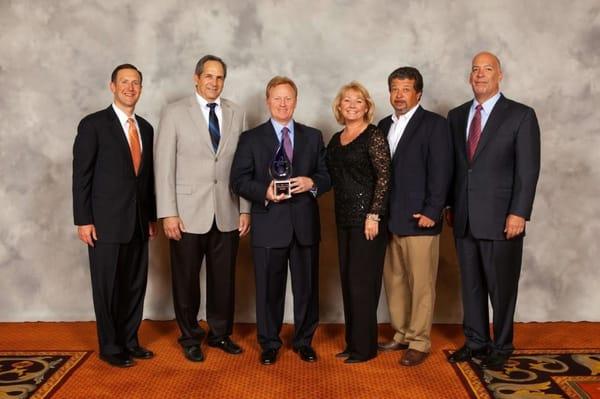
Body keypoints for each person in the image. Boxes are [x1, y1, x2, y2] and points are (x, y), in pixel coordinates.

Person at [446, 51, 541, 370]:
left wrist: (519, 213)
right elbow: (456, 168)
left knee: (502, 287)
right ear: (469, 76)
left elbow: (527, 172)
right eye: (475, 69)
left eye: (488, 69)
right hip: (464, 216)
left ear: (500, 75)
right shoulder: (457, 116)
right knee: (470, 285)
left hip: (503, 219)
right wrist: (449, 204)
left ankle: (501, 345)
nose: (480, 74)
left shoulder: (521, 115)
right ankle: (475, 342)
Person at [154, 55, 250, 362]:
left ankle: (220, 334)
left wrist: (245, 209)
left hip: (227, 211)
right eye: (208, 76)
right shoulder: (174, 113)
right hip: (185, 213)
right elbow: (164, 166)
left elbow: (243, 168)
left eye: (220, 77)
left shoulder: (237, 112)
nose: (214, 82)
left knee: (224, 280)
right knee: (186, 279)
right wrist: (168, 212)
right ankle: (190, 336)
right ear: (196, 78)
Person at [230, 76, 331, 365]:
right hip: (269, 224)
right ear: (268, 101)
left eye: (288, 98)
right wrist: (265, 191)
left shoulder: (313, 136)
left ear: (296, 101)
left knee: (307, 289)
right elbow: (238, 180)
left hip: (304, 226)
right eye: (277, 98)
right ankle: (269, 343)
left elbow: (327, 176)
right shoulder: (251, 138)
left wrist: (312, 181)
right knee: (268, 290)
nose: (283, 104)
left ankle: (303, 341)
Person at [72, 64, 157, 367]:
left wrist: (150, 218)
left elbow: (146, 179)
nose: (130, 88)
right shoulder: (93, 125)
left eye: (136, 83)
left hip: (137, 222)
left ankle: (130, 341)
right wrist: (83, 219)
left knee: (134, 285)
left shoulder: (145, 127)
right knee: (107, 287)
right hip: (104, 224)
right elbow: (81, 176)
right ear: (112, 86)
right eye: (124, 82)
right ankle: (110, 346)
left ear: (141, 89)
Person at [377, 67, 452, 366]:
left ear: (418, 93)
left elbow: (442, 171)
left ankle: (419, 341)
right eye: (395, 88)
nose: (399, 95)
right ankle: (402, 333)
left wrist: (433, 210)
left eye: (406, 89)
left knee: (421, 284)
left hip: (421, 219)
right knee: (394, 281)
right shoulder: (383, 125)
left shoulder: (434, 125)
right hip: (390, 219)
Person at [326, 82, 391, 363]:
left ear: (367, 106)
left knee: (363, 284)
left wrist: (374, 215)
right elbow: (325, 177)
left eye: (358, 101)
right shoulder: (335, 139)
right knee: (349, 281)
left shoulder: (374, 136)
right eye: (346, 101)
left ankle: (365, 349)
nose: (352, 105)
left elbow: (384, 177)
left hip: (368, 221)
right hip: (343, 220)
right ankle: (352, 344)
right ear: (339, 107)